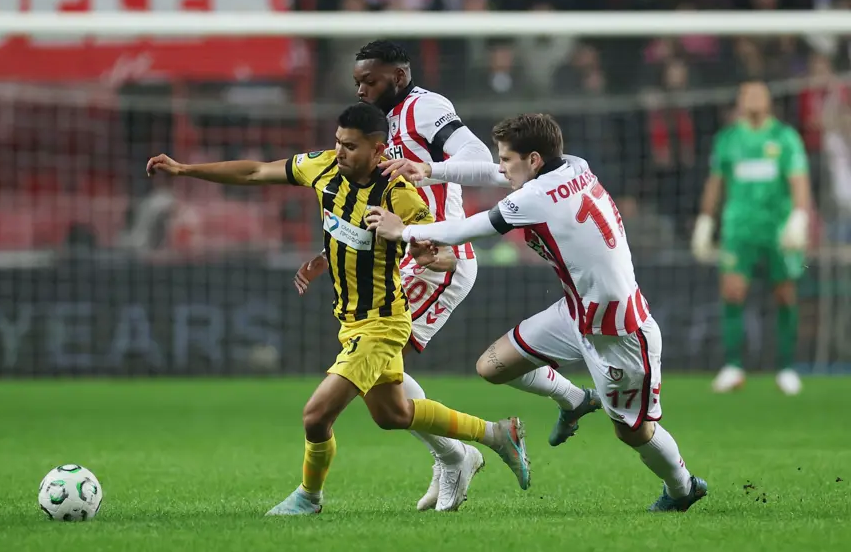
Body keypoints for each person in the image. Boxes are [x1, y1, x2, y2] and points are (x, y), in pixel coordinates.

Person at [145, 103, 531, 516]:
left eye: (350, 146)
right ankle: (496, 435)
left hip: (382, 323)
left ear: (378, 150)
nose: (340, 152)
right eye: (338, 142)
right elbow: (256, 171)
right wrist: (185, 169)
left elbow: (446, 255)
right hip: (349, 321)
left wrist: (423, 250)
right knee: (393, 413)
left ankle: (308, 498)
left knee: (315, 416)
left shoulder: (398, 193)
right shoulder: (323, 167)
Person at [368, 113, 708, 512]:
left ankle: (683, 488)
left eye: (506, 159)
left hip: (618, 330)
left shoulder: (534, 197)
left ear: (533, 160)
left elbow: (472, 227)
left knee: (633, 432)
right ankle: (574, 399)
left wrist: (405, 231)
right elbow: (494, 174)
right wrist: (430, 170)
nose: (500, 167)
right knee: (492, 366)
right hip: (575, 311)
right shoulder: (573, 165)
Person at [292, 41, 574, 512]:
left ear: (399, 76)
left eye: (370, 81)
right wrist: (333, 248)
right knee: (381, 379)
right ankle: (462, 451)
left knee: (376, 368)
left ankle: (458, 454)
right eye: (357, 82)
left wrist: (429, 169)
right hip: (405, 254)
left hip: (438, 257)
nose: (361, 90)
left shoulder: (425, 108)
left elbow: (484, 161)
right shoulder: (379, 125)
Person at [692, 81, 811, 395]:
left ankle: (786, 368)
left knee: (785, 294)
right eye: (748, 94)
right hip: (739, 228)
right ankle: (733, 366)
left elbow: (799, 180)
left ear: (769, 101)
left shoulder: (784, 137)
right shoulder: (728, 139)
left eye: (759, 94)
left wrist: (799, 217)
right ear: (740, 101)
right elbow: (715, 182)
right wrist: (705, 220)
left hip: (777, 229)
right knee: (732, 292)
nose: (754, 99)